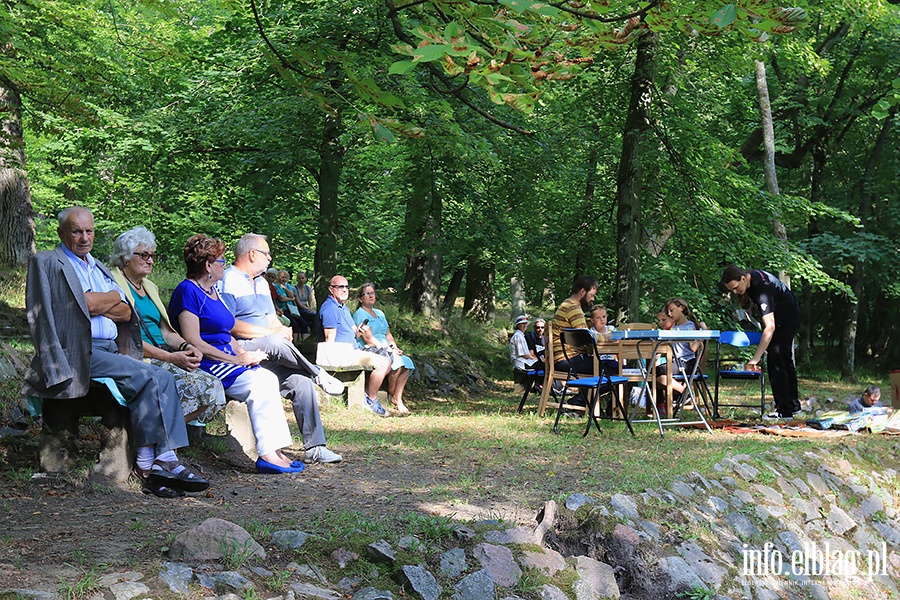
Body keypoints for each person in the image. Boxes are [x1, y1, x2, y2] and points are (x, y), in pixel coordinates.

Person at [23, 207, 209, 498]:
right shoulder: (48, 262)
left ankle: (156, 462)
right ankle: (158, 464)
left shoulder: (95, 266)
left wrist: (103, 301)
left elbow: (124, 311)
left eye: (89, 231)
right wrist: (106, 300)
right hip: (79, 352)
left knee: (160, 377)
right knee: (152, 376)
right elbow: (88, 306)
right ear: (62, 233)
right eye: (76, 231)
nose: (84, 238)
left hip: (110, 350)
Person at [168, 234, 304, 474]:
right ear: (208, 265)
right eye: (220, 261)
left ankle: (275, 450)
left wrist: (243, 353)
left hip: (226, 358)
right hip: (206, 362)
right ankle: (268, 454)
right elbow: (193, 340)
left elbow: (224, 331)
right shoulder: (187, 290)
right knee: (261, 381)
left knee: (265, 376)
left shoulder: (213, 292)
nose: (224, 265)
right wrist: (235, 359)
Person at [220, 234, 343, 464]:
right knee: (276, 342)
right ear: (252, 254)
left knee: (300, 381)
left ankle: (315, 447)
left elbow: (271, 318)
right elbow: (228, 325)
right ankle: (316, 372)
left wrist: (280, 329)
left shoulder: (262, 283)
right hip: (241, 350)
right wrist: (271, 334)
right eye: (266, 254)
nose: (270, 259)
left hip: (269, 349)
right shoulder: (228, 280)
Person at [110, 227, 227, 435]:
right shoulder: (113, 284)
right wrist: (171, 358)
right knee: (200, 385)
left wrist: (187, 347)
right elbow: (124, 339)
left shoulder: (150, 286)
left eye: (152, 255)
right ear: (125, 257)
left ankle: (160, 436)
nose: (150, 260)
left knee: (213, 386)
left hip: (163, 353)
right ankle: (159, 442)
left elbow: (166, 331)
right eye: (143, 255)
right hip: (136, 356)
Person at [721, 265, 801, 418]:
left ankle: (784, 411)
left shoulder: (761, 289)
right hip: (786, 314)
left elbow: (769, 327)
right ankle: (793, 406)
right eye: (732, 290)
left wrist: (756, 358)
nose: (735, 292)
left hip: (786, 318)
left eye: (736, 288)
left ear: (743, 278)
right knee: (785, 360)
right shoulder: (752, 278)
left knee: (776, 360)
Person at [317, 275, 392, 417]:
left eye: (346, 287)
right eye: (340, 287)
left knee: (387, 360)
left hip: (352, 349)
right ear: (331, 289)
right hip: (341, 354)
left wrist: (360, 331)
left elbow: (353, 332)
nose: (344, 290)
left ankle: (368, 396)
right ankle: (371, 400)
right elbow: (329, 339)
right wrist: (328, 368)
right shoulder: (330, 309)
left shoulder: (343, 307)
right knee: (383, 363)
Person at [353, 283, 416, 414]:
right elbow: (367, 338)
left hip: (386, 347)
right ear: (360, 299)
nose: (371, 296)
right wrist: (388, 349)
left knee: (407, 362)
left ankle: (397, 397)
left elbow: (388, 334)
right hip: (370, 348)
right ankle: (391, 393)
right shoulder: (360, 314)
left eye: (373, 293)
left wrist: (394, 346)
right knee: (396, 362)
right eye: (367, 294)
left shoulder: (380, 313)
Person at [551, 276, 607, 375]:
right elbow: (587, 337)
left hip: (564, 359)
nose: (593, 299)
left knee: (607, 365)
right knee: (614, 367)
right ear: (582, 292)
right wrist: (607, 337)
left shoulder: (566, 305)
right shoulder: (573, 309)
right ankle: (594, 390)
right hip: (568, 360)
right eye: (591, 295)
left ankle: (588, 390)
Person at [655, 298, 702, 405]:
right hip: (676, 362)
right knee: (653, 373)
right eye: (668, 312)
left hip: (687, 362)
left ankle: (684, 393)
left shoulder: (689, 326)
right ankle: (677, 395)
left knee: (657, 371)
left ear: (681, 308)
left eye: (672, 310)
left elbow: (693, 348)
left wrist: (701, 336)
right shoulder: (675, 327)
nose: (670, 314)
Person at [273, 269, 309, 339]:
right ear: (278, 277)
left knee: (303, 323)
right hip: (283, 310)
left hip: (292, 309)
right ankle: (294, 343)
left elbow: (292, 295)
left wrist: (285, 288)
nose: (284, 279)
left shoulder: (288, 285)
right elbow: (282, 298)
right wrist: (291, 299)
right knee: (294, 324)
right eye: (282, 277)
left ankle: (303, 342)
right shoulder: (276, 286)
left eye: (286, 277)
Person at [589, 304, 619, 376]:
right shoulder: (591, 332)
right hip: (598, 361)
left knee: (622, 368)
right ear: (592, 320)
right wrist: (607, 338)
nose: (602, 320)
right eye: (598, 318)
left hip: (611, 359)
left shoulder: (611, 329)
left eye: (604, 317)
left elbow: (618, 341)